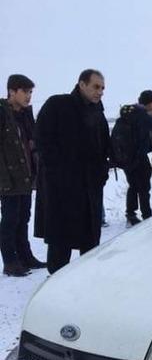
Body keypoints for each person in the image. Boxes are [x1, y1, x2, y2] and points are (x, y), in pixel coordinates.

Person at [34, 69, 111, 274]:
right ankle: (56, 284)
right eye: (96, 86)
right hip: (63, 189)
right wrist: (58, 172)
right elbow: (42, 140)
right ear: (81, 84)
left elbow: (105, 147)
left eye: (103, 88)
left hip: (90, 189)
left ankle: (86, 282)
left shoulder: (98, 113)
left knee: (90, 242)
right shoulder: (58, 105)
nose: (100, 92)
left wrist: (102, 172)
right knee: (61, 241)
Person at [1, 74, 46, 276]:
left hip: (25, 176)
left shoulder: (25, 114)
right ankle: (10, 261)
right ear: (12, 91)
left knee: (23, 217)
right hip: (9, 179)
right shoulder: (2, 113)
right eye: (25, 92)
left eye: (30, 92)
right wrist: (3, 180)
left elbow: (32, 143)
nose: (29, 96)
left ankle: (25, 256)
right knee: (10, 220)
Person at [115, 90, 152, 226]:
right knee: (144, 188)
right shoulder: (144, 116)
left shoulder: (127, 114)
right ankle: (147, 216)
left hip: (126, 159)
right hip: (140, 158)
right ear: (151, 102)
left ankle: (131, 214)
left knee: (133, 186)